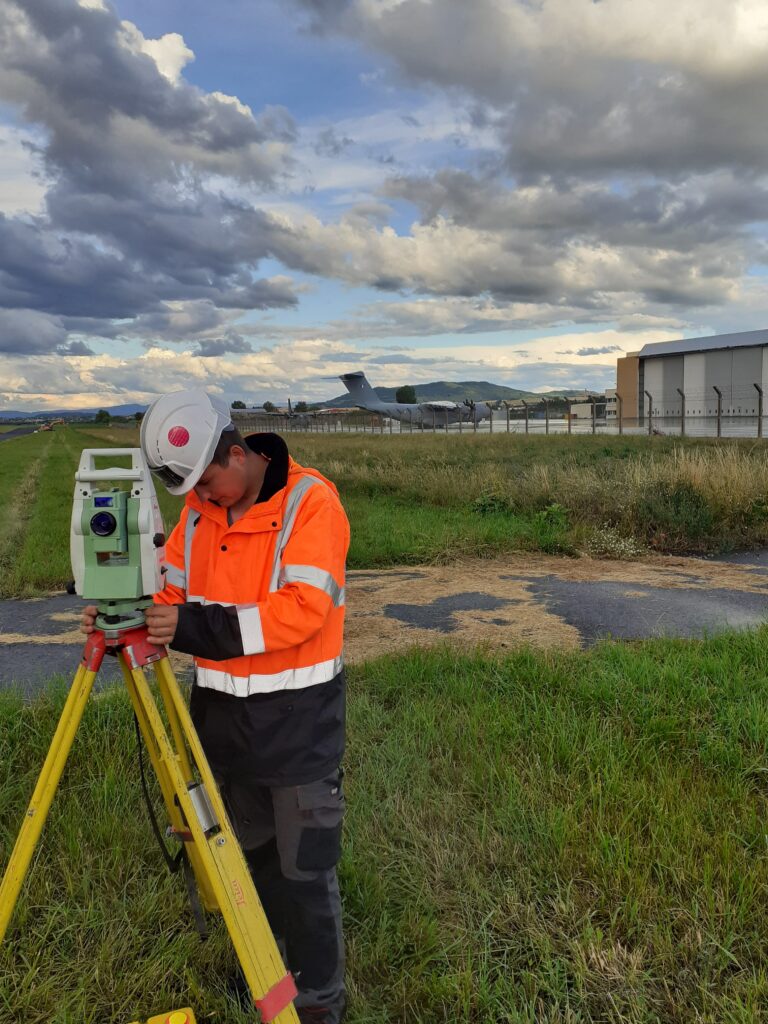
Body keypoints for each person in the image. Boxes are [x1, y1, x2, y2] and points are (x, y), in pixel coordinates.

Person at [81, 388, 350, 1024]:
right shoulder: (200, 515)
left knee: (304, 876)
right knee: (248, 866)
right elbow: (169, 586)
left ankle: (315, 1004)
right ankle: (261, 977)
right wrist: (127, 607)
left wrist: (192, 629)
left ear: (236, 454)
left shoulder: (311, 504)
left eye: (207, 482)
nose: (201, 497)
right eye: (192, 490)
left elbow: (303, 612)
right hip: (223, 729)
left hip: (297, 730)